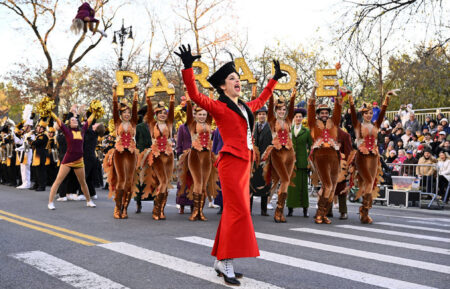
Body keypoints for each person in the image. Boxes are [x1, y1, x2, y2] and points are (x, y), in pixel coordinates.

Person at [176, 44, 284, 286]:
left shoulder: (245, 107)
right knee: (239, 211)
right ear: (223, 86)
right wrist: (187, 68)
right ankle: (227, 261)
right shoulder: (220, 106)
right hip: (230, 163)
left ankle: (219, 259)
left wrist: (273, 80)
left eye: (238, 78)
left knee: (233, 213)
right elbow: (195, 95)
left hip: (244, 163)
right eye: (232, 79)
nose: (237, 82)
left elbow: (262, 99)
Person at [348, 90, 393, 223]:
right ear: (362, 114)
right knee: (368, 181)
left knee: (371, 183)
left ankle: (365, 211)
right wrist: (350, 99)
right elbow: (353, 117)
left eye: (371, 113)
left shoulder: (376, 125)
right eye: (366, 113)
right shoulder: (357, 125)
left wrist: (386, 99)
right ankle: (364, 211)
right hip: (361, 156)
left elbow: (382, 114)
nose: (369, 115)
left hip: (374, 156)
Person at [178, 95, 218, 221]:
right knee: (197, 182)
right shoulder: (191, 124)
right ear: (195, 115)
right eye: (199, 114)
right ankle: (195, 211)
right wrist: (188, 97)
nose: (202, 116)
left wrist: (211, 94)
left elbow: (211, 109)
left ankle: (200, 211)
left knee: (204, 184)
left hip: (207, 156)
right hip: (194, 155)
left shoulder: (208, 124)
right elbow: (189, 111)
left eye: (204, 114)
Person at [47, 108, 96, 210]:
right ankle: (50, 202)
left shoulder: (82, 131)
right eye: (72, 120)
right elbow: (58, 121)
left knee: (83, 182)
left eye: (76, 120)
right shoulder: (67, 130)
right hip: (68, 160)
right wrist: (50, 112)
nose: (75, 121)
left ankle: (89, 201)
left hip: (79, 160)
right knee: (58, 181)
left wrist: (95, 111)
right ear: (69, 123)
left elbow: (89, 121)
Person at [308, 81, 342, 224]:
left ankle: (324, 214)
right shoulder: (313, 124)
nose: (324, 114)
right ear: (317, 114)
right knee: (327, 185)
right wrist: (314, 90)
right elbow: (310, 107)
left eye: (326, 112)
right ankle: (319, 214)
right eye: (321, 113)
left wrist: (337, 89)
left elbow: (339, 106)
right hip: (320, 155)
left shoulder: (333, 122)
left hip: (334, 156)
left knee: (333, 186)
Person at [138, 87, 175, 221]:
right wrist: (147, 95)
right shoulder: (152, 124)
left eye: (164, 113)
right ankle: (156, 209)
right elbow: (148, 109)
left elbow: (171, 110)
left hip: (169, 155)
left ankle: (161, 210)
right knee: (162, 181)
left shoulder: (169, 123)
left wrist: (172, 96)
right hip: (157, 155)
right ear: (156, 115)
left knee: (166, 182)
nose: (163, 115)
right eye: (160, 113)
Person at [103, 86, 138, 219]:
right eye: (124, 112)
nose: (127, 114)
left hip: (131, 153)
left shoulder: (133, 123)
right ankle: (117, 209)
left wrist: (136, 93)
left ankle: (125, 208)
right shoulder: (117, 122)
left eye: (129, 112)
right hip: (119, 153)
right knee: (121, 180)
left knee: (129, 181)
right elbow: (114, 107)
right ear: (121, 114)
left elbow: (135, 109)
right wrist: (114, 92)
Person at [263, 88, 297, 223]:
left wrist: (293, 95)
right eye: (279, 110)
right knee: (285, 180)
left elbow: (293, 108)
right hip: (277, 152)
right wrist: (270, 91)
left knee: (285, 181)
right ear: (276, 111)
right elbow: (270, 106)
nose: (282, 112)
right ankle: (278, 211)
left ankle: (280, 211)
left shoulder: (289, 120)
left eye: (284, 110)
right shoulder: (271, 120)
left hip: (289, 153)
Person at [287, 108, 312, 217]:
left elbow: (311, 147)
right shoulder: (289, 130)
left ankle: (305, 209)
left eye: (300, 117)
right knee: (291, 187)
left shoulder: (306, 131)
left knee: (303, 187)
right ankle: (290, 209)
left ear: (302, 118)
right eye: (296, 117)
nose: (298, 118)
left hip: (302, 162)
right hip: (291, 163)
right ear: (294, 118)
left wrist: (310, 161)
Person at [250, 106, 272, 216]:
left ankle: (264, 210)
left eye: (263, 114)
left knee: (265, 183)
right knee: (251, 184)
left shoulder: (270, 127)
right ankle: (249, 209)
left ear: (266, 115)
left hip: (265, 159)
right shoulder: (253, 127)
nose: (261, 116)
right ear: (257, 115)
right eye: (259, 114)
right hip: (254, 159)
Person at [327, 128, 352, 219]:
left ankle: (343, 211)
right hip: (328, 164)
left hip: (341, 164)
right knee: (328, 187)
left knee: (341, 188)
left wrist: (347, 166)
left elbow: (349, 152)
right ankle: (328, 210)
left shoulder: (344, 135)